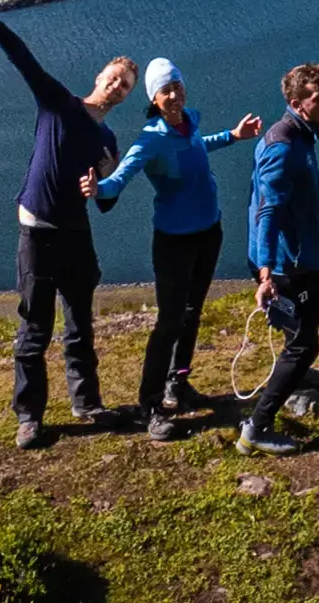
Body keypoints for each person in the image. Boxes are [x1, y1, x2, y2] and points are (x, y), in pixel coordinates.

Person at [0, 0, 135, 449]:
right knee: (34, 328)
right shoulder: (58, 103)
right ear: (100, 76)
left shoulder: (109, 143)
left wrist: (102, 185)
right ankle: (29, 416)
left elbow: (107, 201)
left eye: (125, 85)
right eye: (114, 77)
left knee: (80, 326)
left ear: (125, 96)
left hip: (77, 236)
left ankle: (87, 404)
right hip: (38, 231)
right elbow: (24, 60)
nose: (116, 86)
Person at [85, 57, 263, 441]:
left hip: (208, 232)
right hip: (174, 242)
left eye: (177, 86)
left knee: (192, 313)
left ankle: (178, 384)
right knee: (169, 323)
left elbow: (198, 145)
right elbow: (120, 178)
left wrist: (233, 135)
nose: (174, 94)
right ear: (153, 97)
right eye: (166, 89)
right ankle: (150, 406)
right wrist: (97, 190)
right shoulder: (150, 139)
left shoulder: (190, 123)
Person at [241, 62, 319, 457]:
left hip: (297, 260)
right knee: (304, 344)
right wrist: (266, 273)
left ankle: (294, 370)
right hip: (283, 266)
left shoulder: (301, 135)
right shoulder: (283, 145)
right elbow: (269, 210)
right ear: (298, 104)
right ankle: (255, 429)